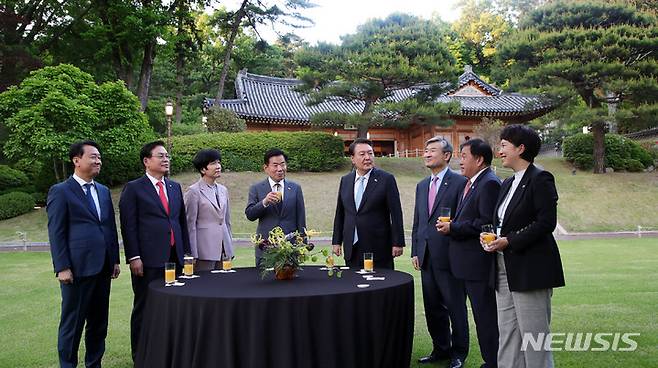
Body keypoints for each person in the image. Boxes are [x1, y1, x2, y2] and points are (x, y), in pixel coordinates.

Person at [482, 124, 565, 368]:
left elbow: (546, 223)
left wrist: (510, 240)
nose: (500, 151)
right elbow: (502, 222)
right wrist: (491, 236)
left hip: (531, 268)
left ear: (521, 148)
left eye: (505, 145)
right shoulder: (507, 183)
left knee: (534, 337)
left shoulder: (541, 178)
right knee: (508, 333)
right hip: (502, 267)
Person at [47, 140, 121, 368]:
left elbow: (108, 226)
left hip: (103, 267)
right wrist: (62, 266)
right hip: (77, 269)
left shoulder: (102, 190)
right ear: (76, 160)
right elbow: (56, 231)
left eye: (99, 157)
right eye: (93, 156)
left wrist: (115, 259)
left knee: (99, 323)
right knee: (73, 324)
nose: (98, 160)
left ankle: (94, 364)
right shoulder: (61, 191)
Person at [119, 140, 191, 361]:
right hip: (148, 259)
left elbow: (181, 223)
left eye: (167, 155)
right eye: (161, 156)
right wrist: (134, 256)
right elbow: (128, 225)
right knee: (144, 306)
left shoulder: (174, 187)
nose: (166, 159)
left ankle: (172, 351)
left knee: (176, 305)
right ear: (146, 161)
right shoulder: (133, 188)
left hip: (175, 257)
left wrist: (187, 254)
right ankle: (139, 354)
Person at [437, 138, 501, 368]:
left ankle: (493, 362)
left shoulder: (489, 183)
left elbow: (485, 224)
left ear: (479, 159)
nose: (459, 161)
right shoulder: (473, 182)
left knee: (486, 318)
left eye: (464, 156)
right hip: (465, 264)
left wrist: (453, 227)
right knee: (480, 317)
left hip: (478, 265)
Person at [411, 137, 468, 366]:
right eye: (425, 151)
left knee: (455, 307)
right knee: (433, 307)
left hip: (451, 256)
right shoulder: (422, 185)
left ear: (446, 156)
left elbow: (463, 218)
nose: (426, 154)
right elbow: (419, 221)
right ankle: (441, 349)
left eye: (432, 151)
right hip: (426, 256)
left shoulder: (460, 182)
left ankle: (459, 353)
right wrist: (416, 249)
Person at [332, 138, 405, 269]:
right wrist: (336, 241)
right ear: (352, 159)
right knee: (353, 286)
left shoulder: (386, 179)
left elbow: (396, 213)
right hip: (351, 247)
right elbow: (340, 213)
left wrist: (398, 242)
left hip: (378, 247)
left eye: (370, 153)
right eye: (362, 154)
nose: (367, 157)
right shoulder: (346, 180)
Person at [245, 148, 306, 266]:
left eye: (282, 164)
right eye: (275, 165)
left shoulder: (295, 188)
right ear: (266, 168)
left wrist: (302, 244)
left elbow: (301, 218)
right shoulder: (257, 188)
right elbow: (250, 214)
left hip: (290, 248)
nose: (280, 169)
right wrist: (264, 202)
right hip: (266, 248)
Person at [184, 149, 234, 271]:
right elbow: (190, 225)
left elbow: (226, 222)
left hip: (223, 249)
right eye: (213, 163)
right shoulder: (193, 191)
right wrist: (192, 254)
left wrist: (229, 247)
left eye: (218, 162)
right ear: (203, 169)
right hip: (204, 250)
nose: (218, 166)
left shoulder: (223, 190)